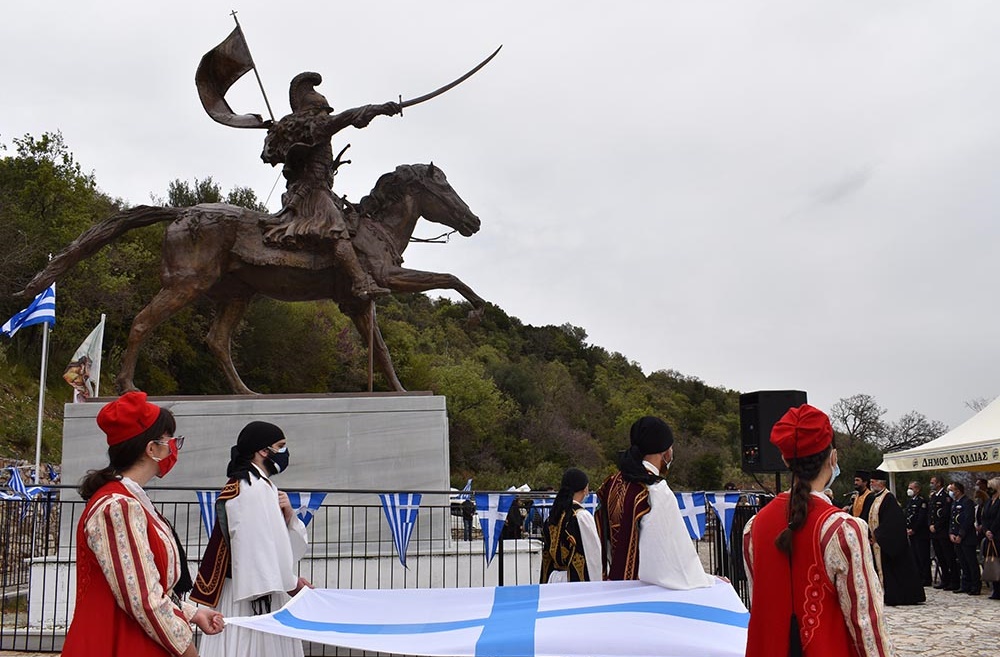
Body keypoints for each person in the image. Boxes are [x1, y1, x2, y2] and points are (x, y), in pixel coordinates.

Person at [63, 391, 223, 657]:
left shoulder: (130, 500)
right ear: (152, 449)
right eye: (171, 441)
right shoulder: (118, 507)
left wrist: (193, 613)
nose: (174, 448)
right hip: (118, 642)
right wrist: (187, 649)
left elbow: (145, 585)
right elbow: (143, 600)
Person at [743, 404, 895, 657]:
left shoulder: (754, 527)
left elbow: (759, 599)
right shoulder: (842, 529)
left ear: (784, 459)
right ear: (832, 457)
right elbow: (865, 622)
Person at [260, 71, 400, 300]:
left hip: (319, 191)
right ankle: (360, 282)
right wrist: (379, 108)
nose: (326, 115)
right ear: (316, 112)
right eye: (324, 111)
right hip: (310, 194)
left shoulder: (304, 131)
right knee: (338, 230)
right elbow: (346, 118)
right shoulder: (317, 127)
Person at [193, 421, 310, 657]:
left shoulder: (257, 484)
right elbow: (254, 547)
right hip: (251, 590)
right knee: (250, 647)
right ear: (263, 451)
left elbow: (270, 539)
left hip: (264, 583)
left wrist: (288, 516)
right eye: (281, 446)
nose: (285, 452)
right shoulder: (250, 487)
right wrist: (292, 582)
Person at [596, 416, 716, 589]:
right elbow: (671, 554)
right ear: (665, 451)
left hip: (614, 582)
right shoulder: (655, 490)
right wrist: (707, 580)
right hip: (642, 590)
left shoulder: (611, 483)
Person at [864, 471, 925, 605]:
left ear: (881, 482)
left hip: (886, 542)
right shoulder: (877, 498)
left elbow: (892, 522)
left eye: (873, 481)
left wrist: (878, 535)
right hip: (877, 542)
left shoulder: (889, 498)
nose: (871, 483)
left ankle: (895, 596)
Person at [540, 468, 602, 583]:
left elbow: (547, 554)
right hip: (573, 581)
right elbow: (593, 554)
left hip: (554, 578)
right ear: (585, 489)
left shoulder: (553, 515)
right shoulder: (581, 516)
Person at [948, 481, 981, 595]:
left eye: (952, 490)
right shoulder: (954, 503)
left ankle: (975, 586)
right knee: (962, 563)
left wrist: (961, 535)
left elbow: (968, 520)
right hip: (956, 538)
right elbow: (952, 520)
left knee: (971, 562)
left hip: (967, 538)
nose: (951, 492)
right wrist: (951, 533)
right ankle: (965, 584)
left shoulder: (967, 502)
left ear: (958, 490)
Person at [928, 475, 958, 590]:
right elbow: (931, 513)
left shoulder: (945, 497)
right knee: (940, 557)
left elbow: (945, 515)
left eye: (933, 482)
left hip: (942, 532)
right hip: (934, 532)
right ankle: (945, 580)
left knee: (948, 557)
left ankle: (954, 581)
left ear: (939, 483)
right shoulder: (934, 497)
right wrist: (930, 525)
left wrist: (936, 526)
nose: (931, 484)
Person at [904, 480, 931, 587]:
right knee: (915, 556)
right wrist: (907, 528)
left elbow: (921, 518)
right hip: (911, 533)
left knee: (922, 556)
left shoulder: (922, 501)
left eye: (912, 488)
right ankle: (918, 576)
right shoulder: (910, 501)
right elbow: (907, 515)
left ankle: (926, 578)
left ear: (917, 489)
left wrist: (913, 529)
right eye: (909, 488)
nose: (909, 490)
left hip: (920, 533)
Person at [982, 477, 1000, 600]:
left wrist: (992, 530)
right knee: (992, 561)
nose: (989, 490)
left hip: (998, 535)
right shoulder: (989, 501)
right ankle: (996, 589)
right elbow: (984, 517)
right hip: (989, 536)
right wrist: (986, 530)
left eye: (991, 488)